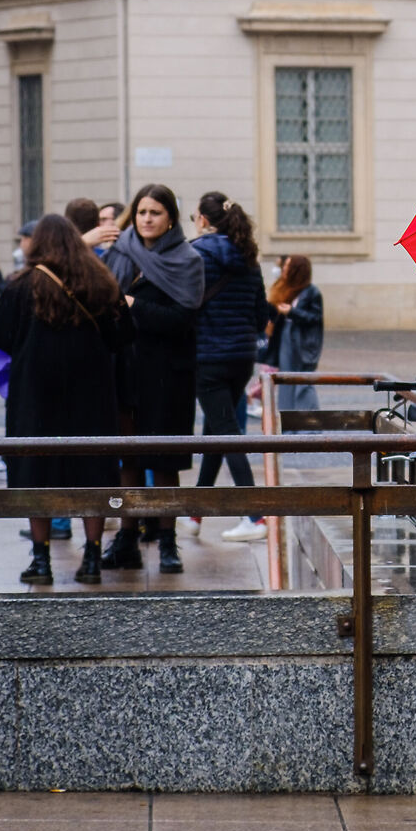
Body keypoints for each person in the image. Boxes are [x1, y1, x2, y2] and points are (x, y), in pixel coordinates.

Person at [0, 213, 134, 584]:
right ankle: (91, 558)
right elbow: (123, 336)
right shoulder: (101, 283)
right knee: (94, 473)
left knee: (35, 474)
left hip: (33, 397)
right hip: (92, 393)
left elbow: (4, 336)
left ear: (37, 245)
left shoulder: (21, 286)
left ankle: (41, 560)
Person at [100, 184, 204, 574]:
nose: (146, 219)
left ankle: (166, 540)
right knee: (126, 456)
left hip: (167, 374)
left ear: (171, 219)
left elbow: (183, 319)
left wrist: (134, 304)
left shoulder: (187, 259)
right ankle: (126, 536)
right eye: (142, 212)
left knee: (163, 461)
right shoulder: (120, 252)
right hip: (125, 369)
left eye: (155, 213)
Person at [190, 192, 268, 543]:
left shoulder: (196, 256)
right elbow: (261, 313)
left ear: (203, 221)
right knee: (218, 429)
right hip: (241, 357)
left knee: (227, 433)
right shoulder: (248, 258)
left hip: (207, 357)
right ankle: (195, 511)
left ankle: (254, 516)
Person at [265, 255, 324, 412]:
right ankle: (286, 421)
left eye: (288, 267)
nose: (284, 269)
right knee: (285, 379)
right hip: (286, 337)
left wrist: (292, 312)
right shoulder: (285, 288)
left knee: (303, 381)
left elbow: (315, 318)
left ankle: (308, 423)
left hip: (303, 341)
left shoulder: (311, 292)